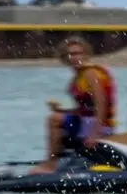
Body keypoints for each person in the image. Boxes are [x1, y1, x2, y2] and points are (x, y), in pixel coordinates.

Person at [36, 36, 115, 173]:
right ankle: (59, 159)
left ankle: (50, 164)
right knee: (57, 118)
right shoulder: (78, 76)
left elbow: (101, 104)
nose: (74, 57)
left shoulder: (91, 73)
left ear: (86, 55)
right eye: (70, 54)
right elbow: (85, 109)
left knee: (53, 119)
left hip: (98, 126)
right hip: (85, 121)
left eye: (78, 53)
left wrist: (95, 134)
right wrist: (63, 111)